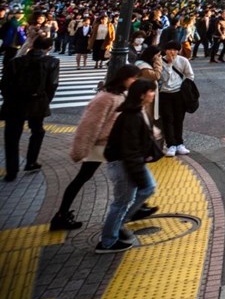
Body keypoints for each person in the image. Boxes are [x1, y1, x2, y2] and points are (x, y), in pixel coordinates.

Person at [51, 64, 140, 230]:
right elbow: (89, 125)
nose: (135, 81)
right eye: (133, 78)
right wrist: (81, 149)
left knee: (128, 175)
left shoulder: (121, 94)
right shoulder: (105, 97)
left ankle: (138, 207)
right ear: (123, 78)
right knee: (84, 177)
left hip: (111, 145)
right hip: (102, 146)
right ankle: (61, 215)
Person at [97, 78, 160, 253]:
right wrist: (138, 174)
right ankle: (108, 241)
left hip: (131, 162)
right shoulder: (131, 116)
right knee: (122, 202)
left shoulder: (137, 111)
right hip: (124, 163)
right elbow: (129, 149)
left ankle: (118, 225)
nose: (153, 94)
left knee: (147, 189)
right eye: (151, 91)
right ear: (141, 95)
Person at [3, 35, 59, 181]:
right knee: (37, 131)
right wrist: (45, 100)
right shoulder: (51, 62)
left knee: (12, 137)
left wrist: (9, 99)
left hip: (14, 103)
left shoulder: (15, 62)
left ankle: (11, 171)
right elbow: (52, 85)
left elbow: (4, 84)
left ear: (32, 45)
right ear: (49, 48)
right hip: (37, 102)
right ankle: (31, 162)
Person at [157, 41, 194, 157]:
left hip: (179, 94)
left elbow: (190, 75)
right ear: (165, 50)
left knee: (179, 119)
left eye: (175, 49)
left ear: (178, 51)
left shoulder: (183, 61)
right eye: (169, 49)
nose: (172, 52)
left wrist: (185, 88)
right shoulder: (159, 61)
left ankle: (179, 143)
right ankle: (171, 145)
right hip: (164, 93)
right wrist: (168, 64)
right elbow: (163, 78)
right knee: (168, 119)